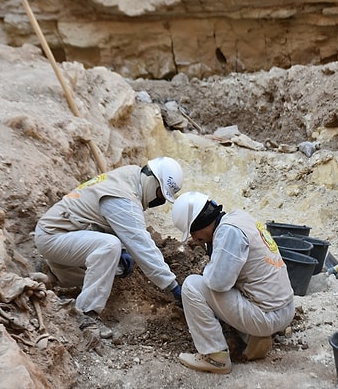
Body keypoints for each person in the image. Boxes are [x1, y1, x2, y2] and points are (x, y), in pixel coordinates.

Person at [34, 156, 185, 315]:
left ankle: (55, 272)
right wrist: (172, 286)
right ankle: (86, 312)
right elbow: (142, 246)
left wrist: (124, 249)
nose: (160, 201)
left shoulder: (131, 174)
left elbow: (117, 223)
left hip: (65, 231)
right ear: (153, 182)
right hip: (53, 236)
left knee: (117, 262)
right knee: (110, 247)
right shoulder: (123, 198)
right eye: (161, 195)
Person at [171, 191, 295, 374]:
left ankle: (215, 357)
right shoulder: (239, 218)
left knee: (192, 286)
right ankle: (252, 337)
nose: (195, 239)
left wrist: (208, 268)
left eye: (193, 232)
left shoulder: (228, 233)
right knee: (237, 282)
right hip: (285, 308)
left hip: (267, 316)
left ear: (198, 223)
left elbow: (217, 283)